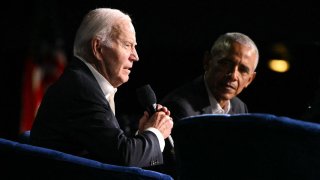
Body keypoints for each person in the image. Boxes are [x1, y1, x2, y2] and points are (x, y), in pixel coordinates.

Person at [30, 8, 174, 169]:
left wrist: (143, 135)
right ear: (98, 48)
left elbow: (108, 152)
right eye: (127, 45)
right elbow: (122, 157)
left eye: (135, 46)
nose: (135, 56)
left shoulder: (86, 83)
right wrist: (156, 132)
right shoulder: (80, 89)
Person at [160, 32, 259, 121]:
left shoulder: (240, 108)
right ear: (207, 61)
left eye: (243, 70)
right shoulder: (179, 108)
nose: (233, 75)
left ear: (249, 80)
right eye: (226, 64)